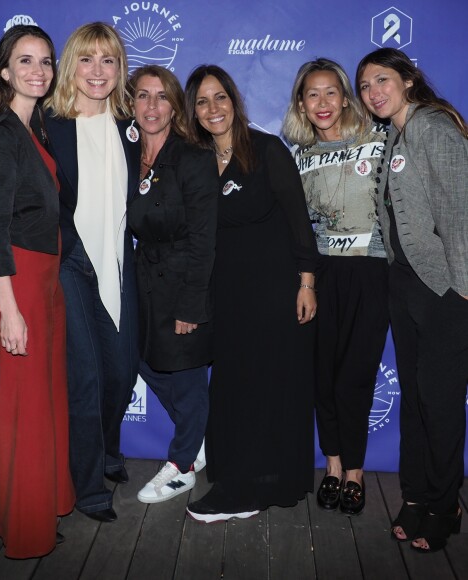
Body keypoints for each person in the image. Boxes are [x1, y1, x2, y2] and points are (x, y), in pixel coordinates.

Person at [0, 25, 75, 558]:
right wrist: (9, 309)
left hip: (43, 281)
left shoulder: (34, 129)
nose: (38, 71)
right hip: (15, 283)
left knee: (44, 403)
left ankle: (25, 502)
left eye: (46, 61)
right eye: (25, 61)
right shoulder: (0, 133)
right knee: (26, 408)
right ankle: (26, 533)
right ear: (3, 70)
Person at [183, 65, 318, 523]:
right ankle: (239, 478)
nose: (213, 108)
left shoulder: (265, 149)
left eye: (220, 97)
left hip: (275, 292)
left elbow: (300, 221)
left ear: (234, 102)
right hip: (228, 296)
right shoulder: (197, 160)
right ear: (194, 112)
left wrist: (306, 283)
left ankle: (255, 486)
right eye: (202, 101)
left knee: (271, 386)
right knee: (235, 387)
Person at [356, 47, 468, 552]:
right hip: (405, 286)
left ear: (407, 79)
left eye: (382, 80)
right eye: (365, 86)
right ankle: (417, 494)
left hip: (445, 288)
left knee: (440, 403)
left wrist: (464, 286)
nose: (373, 92)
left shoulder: (432, 127)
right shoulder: (393, 134)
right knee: (416, 402)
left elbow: (461, 210)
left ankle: (445, 505)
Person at [40, 22, 140, 523]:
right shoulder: (47, 123)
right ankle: (88, 487)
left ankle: (106, 449)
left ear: (119, 68)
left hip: (118, 260)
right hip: (70, 263)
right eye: (86, 59)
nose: (97, 71)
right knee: (84, 378)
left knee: (121, 373)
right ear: (70, 65)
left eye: (108, 60)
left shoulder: (132, 124)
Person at [281, 58, 389, 516]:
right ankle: (332, 464)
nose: (322, 103)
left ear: (345, 97)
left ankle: (356, 471)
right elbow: (293, 229)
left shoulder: (380, 142)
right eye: (312, 94)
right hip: (320, 275)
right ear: (301, 105)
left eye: (331, 92)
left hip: (373, 271)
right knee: (323, 375)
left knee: (356, 375)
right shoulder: (298, 158)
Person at [125, 65, 218, 504]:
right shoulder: (125, 155)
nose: (151, 105)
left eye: (162, 96)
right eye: (143, 96)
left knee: (186, 376)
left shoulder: (194, 158)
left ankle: (181, 466)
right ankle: (197, 438)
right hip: (139, 281)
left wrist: (191, 306)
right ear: (131, 103)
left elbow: (204, 241)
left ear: (175, 104)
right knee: (139, 359)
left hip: (183, 280)